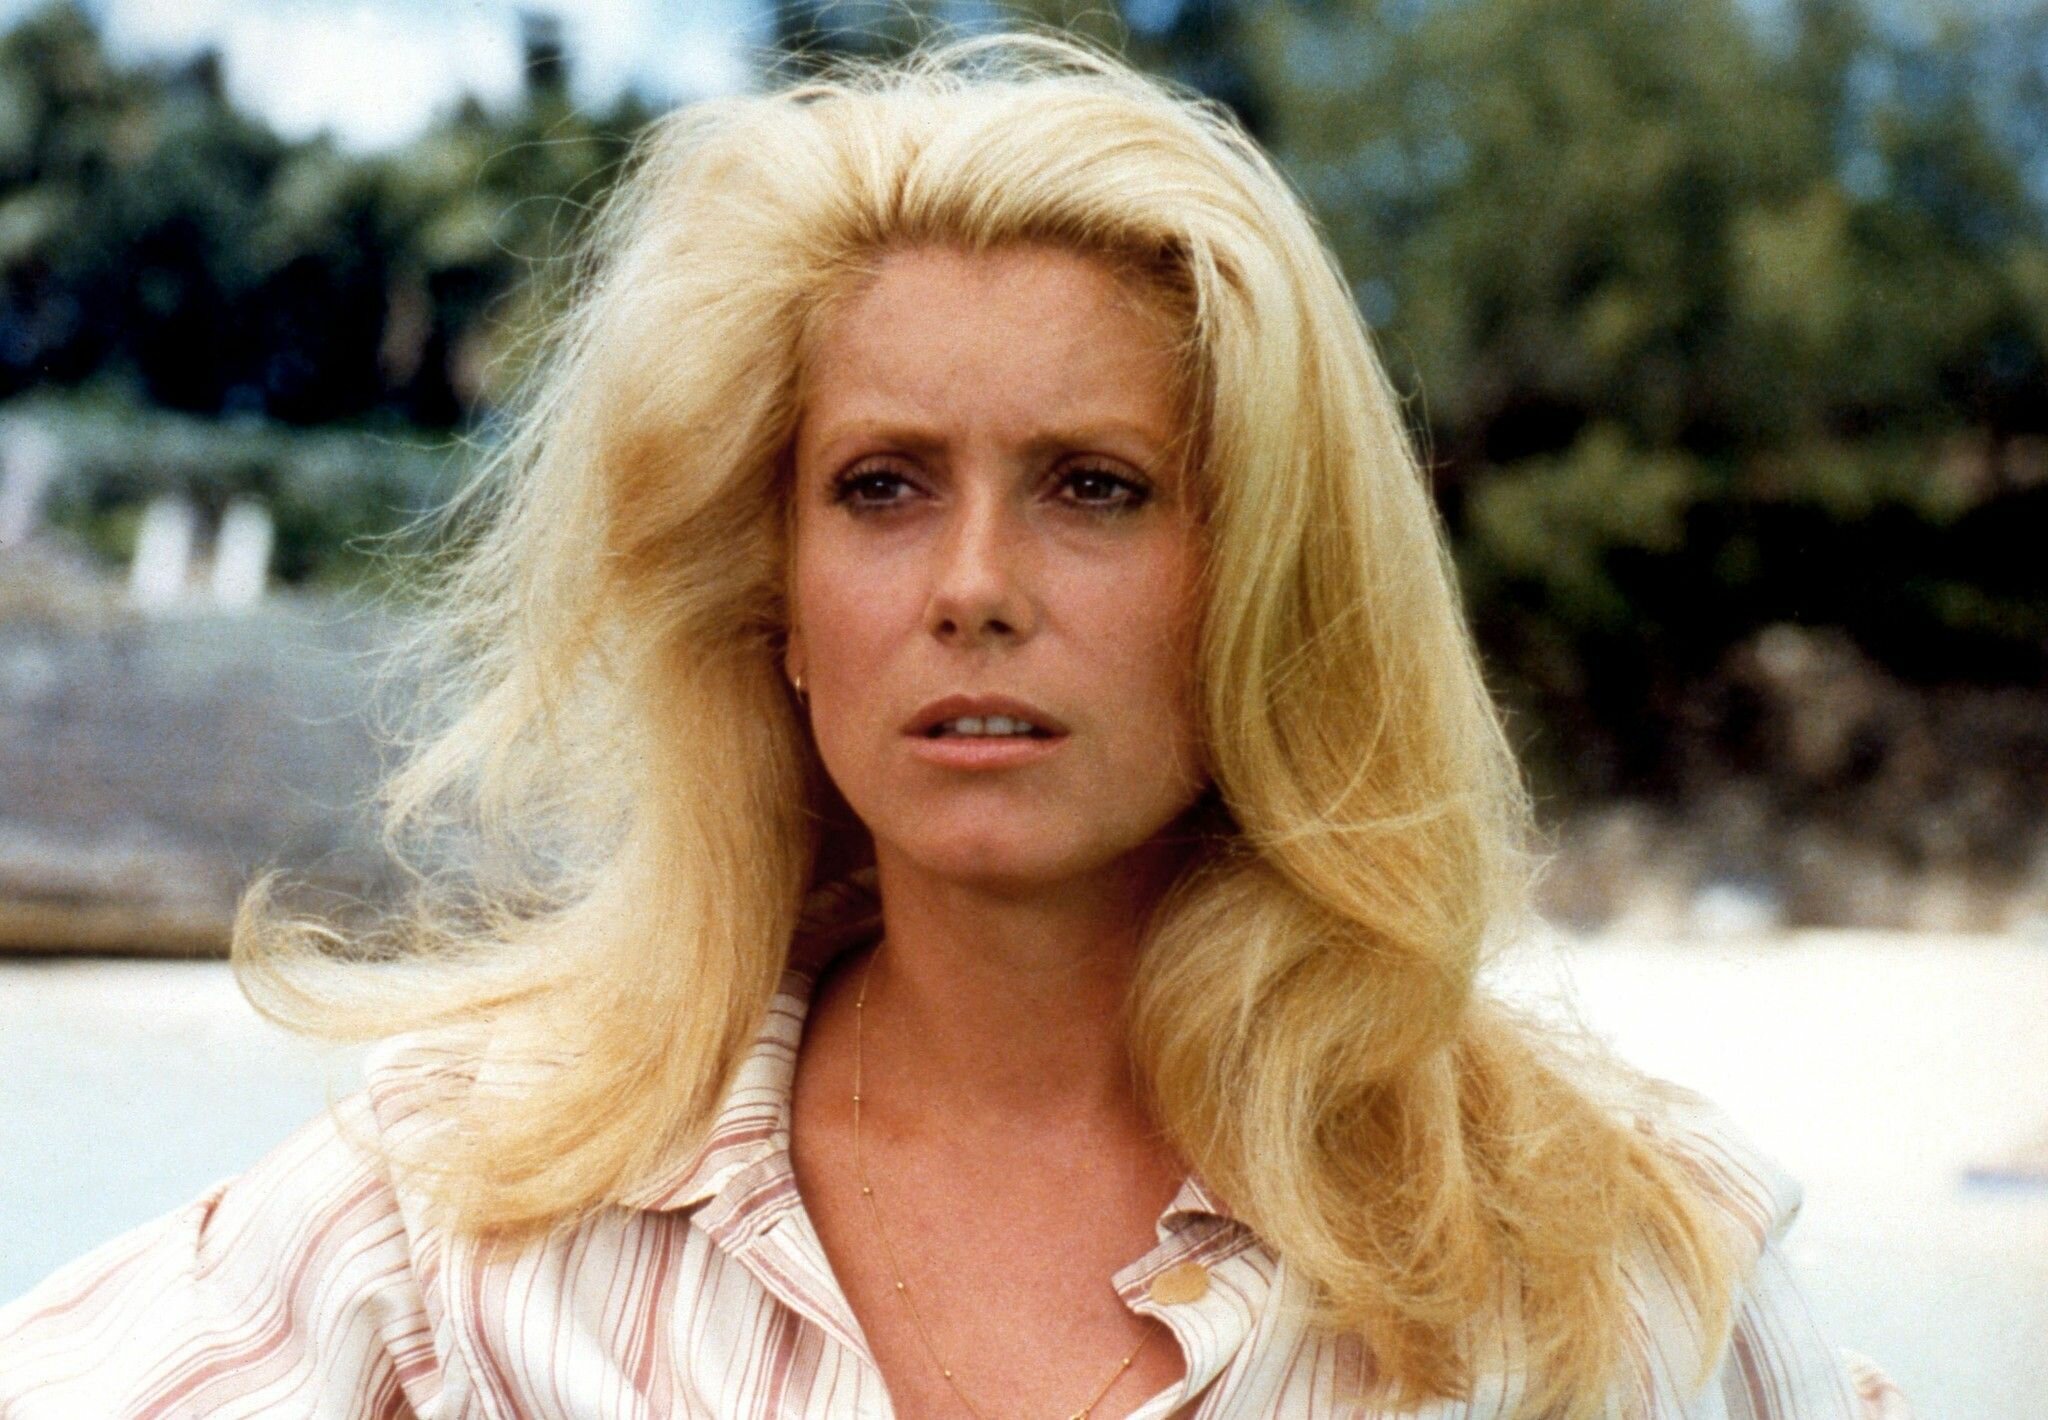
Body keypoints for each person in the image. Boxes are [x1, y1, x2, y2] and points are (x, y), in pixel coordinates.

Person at [0, 34, 1911, 1420]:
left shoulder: (1597, 1262)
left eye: (1094, 487)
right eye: (883, 486)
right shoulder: (463, 1224)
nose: (974, 585)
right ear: (777, 598)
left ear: (1261, 583)